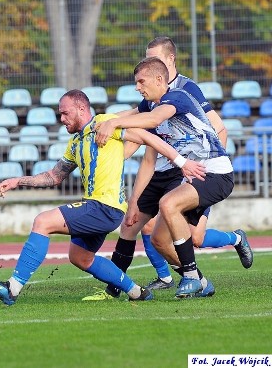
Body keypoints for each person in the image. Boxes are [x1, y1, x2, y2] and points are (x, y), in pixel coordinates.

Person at [0, 89, 206, 305]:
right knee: (80, 257)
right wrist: (17, 181)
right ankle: (137, 292)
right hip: (97, 207)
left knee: (42, 221)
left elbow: (149, 139)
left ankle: (12, 288)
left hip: (105, 206)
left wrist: (182, 163)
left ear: (81, 108)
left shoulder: (105, 124)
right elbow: (54, 176)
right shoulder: (76, 142)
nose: (61, 118)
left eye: (65, 112)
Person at [82, 36, 252, 301]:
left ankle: (194, 273)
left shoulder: (181, 94)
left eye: (142, 81)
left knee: (180, 218)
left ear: (163, 70)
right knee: (158, 239)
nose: (137, 87)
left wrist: (113, 124)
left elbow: (153, 120)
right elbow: (142, 134)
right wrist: (97, 124)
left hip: (209, 171)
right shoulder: (152, 102)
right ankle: (197, 281)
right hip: (187, 171)